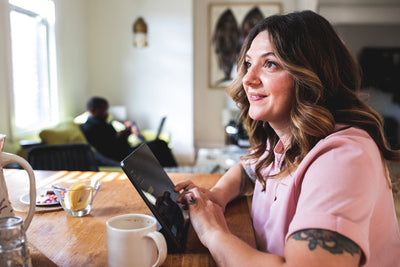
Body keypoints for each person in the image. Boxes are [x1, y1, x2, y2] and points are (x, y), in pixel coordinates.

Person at [175, 10, 400, 267]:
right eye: (249, 63)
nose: (248, 79)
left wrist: (212, 231)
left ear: (311, 75)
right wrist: (216, 196)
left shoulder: (343, 158)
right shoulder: (286, 140)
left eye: (270, 64)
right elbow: (247, 170)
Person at [80, 97, 141, 162]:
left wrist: (122, 135)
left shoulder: (104, 123)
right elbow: (107, 148)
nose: (106, 113)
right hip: (121, 156)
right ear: (93, 110)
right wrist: (121, 137)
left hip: (127, 152)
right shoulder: (89, 128)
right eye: (104, 110)